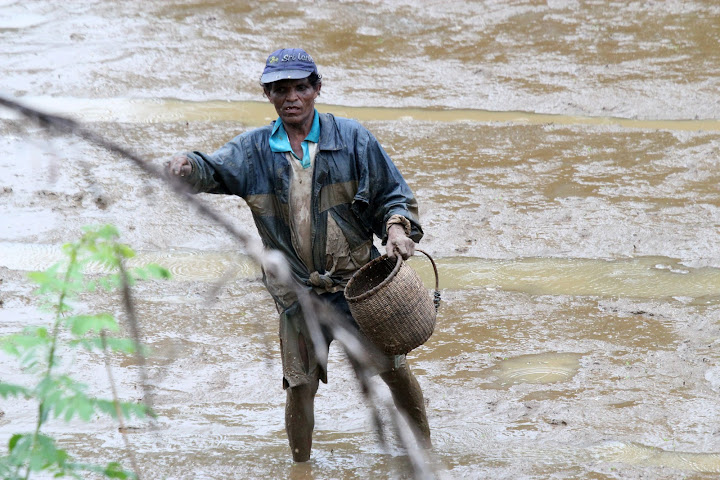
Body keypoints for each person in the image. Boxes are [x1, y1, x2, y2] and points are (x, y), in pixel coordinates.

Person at [165, 47, 430, 462]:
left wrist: (396, 228)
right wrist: (186, 166)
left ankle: (426, 452)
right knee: (300, 386)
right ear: (269, 95)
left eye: (300, 88)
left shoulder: (353, 139)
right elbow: (211, 169)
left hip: (357, 286)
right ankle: (300, 467)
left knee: (393, 370)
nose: (291, 97)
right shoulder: (253, 151)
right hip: (297, 292)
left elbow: (393, 195)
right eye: (280, 89)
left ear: (317, 89)